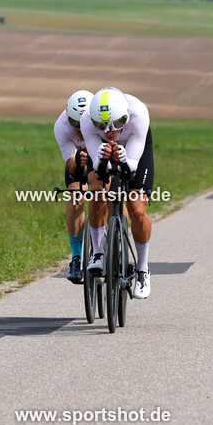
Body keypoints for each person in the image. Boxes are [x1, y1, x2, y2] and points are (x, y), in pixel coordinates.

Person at [81, 87, 154, 299]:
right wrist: (103, 158)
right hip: (103, 149)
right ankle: (98, 253)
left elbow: (131, 167)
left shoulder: (138, 113)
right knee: (97, 191)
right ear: (94, 120)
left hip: (134, 148)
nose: (109, 131)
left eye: (116, 123)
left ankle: (142, 270)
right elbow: (97, 165)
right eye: (102, 125)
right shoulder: (87, 120)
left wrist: (123, 160)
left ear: (126, 117)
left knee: (136, 208)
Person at [54, 90, 93, 283]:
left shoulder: (104, 121)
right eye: (74, 124)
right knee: (76, 196)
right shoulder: (61, 126)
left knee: (112, 194)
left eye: (83, 124)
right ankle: (77, 258)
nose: (79, 130)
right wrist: (78, 161)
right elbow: (71, 166)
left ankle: (115, 246)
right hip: (79, 159)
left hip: (104, 154)